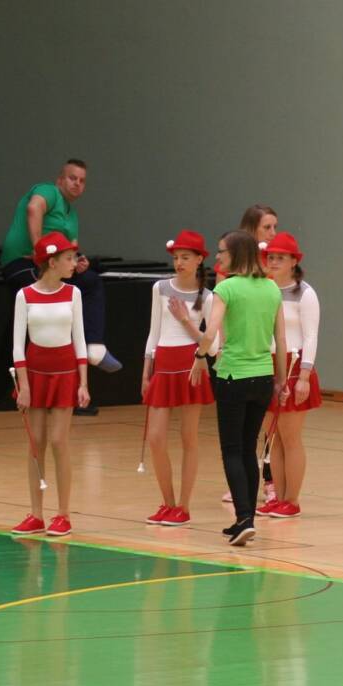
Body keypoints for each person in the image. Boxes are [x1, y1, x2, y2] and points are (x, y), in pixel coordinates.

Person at [194, 231, 287, 546]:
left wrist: (199, 357)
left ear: (235, 254)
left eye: (221, 251)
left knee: (232, 449)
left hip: (233, 376)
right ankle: (245, 519)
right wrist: (281, 380)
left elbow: (210, 333)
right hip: (263, 377)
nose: (217, 256)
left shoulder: (226, 288)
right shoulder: (271, 288)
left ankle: (244, 517)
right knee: (248, 448)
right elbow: (281, 340)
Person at [0, 160, 119, 394]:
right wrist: (39, 251)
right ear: (60, 180)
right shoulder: (48, 191)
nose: (77, 183)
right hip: (22, 263)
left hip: (52, 269)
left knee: (90, 281)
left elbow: (71, 250)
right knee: (48, 305)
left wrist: (78, 262)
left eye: (82, 181)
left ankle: (93, 347)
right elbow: (33, 209)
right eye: (72, 178)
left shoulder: (72, 216)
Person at [9, 232, 90, 538]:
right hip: (35, 376)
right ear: (52, 262)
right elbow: (18, 346)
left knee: (59, 441)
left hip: (65, 374)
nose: (74, 263)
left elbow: (79, 339)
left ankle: (63, 515)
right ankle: (36, 514)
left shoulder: (73, 293)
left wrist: (83, 383)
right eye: (69, 258)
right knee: (36, 444)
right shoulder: (25, 295)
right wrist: (24, 386)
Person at [140, 229, 215, 527]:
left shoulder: (207, 297)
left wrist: (185, 320)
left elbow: (211, 344)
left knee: (189, 438)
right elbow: (153, 331)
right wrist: (146, 370)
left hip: (191, 367)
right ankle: (167, 502)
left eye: (186, 257)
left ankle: (183, 506)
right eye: (176, 257)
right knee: (156, 438)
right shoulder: (160, 288)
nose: (179, 263)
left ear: (199, 260)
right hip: (163, 366)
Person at [258, 232, 319, 518]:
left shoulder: (305, 293)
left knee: (291, 437)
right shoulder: (264, 289)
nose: (274, 262)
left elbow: (311, 336)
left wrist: (305, 376)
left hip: (294, 367)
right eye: (270, 257)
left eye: (280, 258)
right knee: (273, 438)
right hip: (266, 365)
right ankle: (278, 497)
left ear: (294, 261)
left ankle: (292, 500)